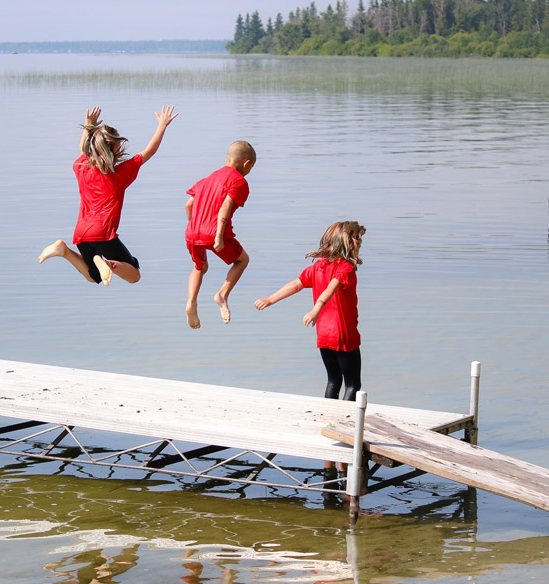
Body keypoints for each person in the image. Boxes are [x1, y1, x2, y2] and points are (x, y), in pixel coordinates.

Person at [255, 221, 366, 475]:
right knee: (352, 384)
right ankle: (343, 430)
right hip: (344, 334)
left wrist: (270, 299)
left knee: (333, 380)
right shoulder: (345, 267)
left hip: (324, 335)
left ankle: (328, 427)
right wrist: (316, 309)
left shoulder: (318, 266)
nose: (360, 244)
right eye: (357, 240)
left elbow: (296, 284)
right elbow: (331, 288)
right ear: (348, 242)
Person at [39, 105, 178, 286]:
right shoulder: (119, 174)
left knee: (94, 277)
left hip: (81, 233)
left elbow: (82, 150)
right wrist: (162, 126)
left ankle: (63, 250)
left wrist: (88, 126)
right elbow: (149, 151)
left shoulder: (81, 167)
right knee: (134, 275)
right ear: (113, 150)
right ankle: (107, 264)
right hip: (102, 233)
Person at [184, 141, 256, 329]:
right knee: (242, 260)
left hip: (192, 232)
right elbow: (226, 206)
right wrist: (218, 236)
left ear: (227, 159)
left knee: (199, 266)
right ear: (246, 163)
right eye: (250, 169)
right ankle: (222, 294)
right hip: (215, 232)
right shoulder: (239, 181)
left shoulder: (206, 179)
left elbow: (189, 204)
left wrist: (193, 225)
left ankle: (191, 303)